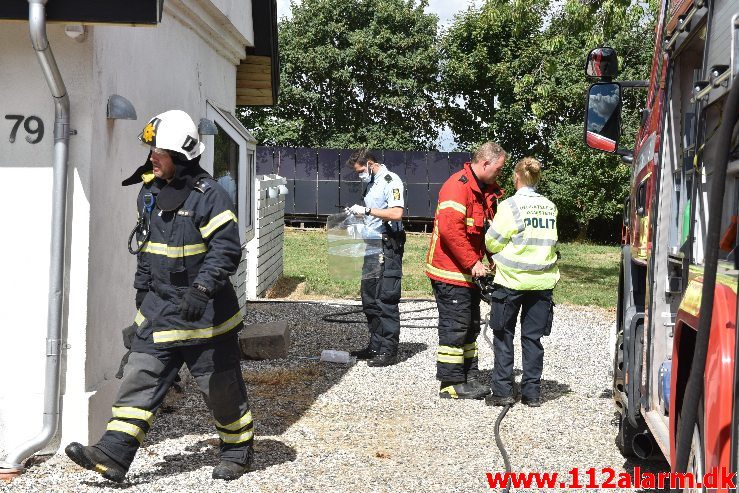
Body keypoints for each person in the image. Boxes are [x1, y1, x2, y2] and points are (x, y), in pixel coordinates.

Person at [64, 110, 253, 482]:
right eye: (152, 150)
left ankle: (237, 450)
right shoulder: (150, 193)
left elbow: (226, 249)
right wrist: (141, 298)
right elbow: (149, 251)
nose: (152, 157)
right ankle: (113, 454)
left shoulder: (210, 196)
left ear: (182, 156)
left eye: (159, 152)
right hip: (160, 312)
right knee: (140, 378)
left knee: (221, 390)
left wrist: (202, 288)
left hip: (206, 317)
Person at [426, 142, 506, 399]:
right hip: (450, 271)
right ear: (484, 163)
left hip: (468, 273)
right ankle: (450, 383)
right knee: (455, 326)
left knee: (470, 326)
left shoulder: (483, 191)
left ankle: (469, 376)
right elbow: (451, 231)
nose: (499, 174)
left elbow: (486, 232)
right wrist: (473, 262)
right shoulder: (457, 187)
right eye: (498, 169)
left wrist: (494, 259)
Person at [484, 157, 559, 408]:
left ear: (517, 177)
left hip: (511, 282)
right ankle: (531, 394)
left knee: (504, 335)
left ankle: (503, 391)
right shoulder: (550, 207)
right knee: (532, 339)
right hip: (542, 284)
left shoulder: (509, 206)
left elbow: (492, 242)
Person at [346, 149, 406, 367]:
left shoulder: (391, 181)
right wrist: (357, 219)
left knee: (385, 297)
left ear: (371, 164)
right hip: (371, 244)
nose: (360, 175)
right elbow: (371, 213)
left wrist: (368, 210)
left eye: (361, 171)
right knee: (369, 296)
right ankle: (375, 345)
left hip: (386, 245)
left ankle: (388, 350)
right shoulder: (371, 182)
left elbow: (396, 213)